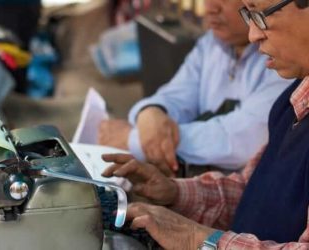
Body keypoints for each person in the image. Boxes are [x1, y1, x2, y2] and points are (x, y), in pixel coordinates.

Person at [101, 0, 309, 248]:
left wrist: (197, 239)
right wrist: (177, 193)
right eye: (248, 15)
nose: (254, 34)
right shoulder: (293, 99)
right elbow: (251, 188)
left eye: (261, 15)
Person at [98, 0, 291, 175]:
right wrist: (151, 111)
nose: (210, 7)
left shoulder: (285, 58)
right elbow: (177, 94)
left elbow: (244, 138)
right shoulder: (211, 43)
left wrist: (136, 140)